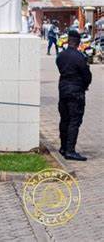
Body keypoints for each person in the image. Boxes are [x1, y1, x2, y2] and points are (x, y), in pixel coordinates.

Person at [56, 30, 92, 161]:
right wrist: (84, 85)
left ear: (68, 41)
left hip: (63, 89)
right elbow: (87, 76)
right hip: (76, 91)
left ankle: (63, 147)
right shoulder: (80, 57)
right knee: (74, 121)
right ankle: (70, 150)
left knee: (64, 119)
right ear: (78, 42)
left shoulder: (60, 56)